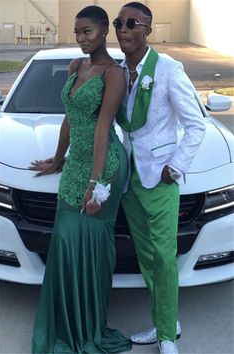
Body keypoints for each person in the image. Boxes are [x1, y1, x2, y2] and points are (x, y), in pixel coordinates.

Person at [30, 5, 132, 354]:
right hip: (75, 166)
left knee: (90, 245)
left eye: (87, 31)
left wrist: (96, 182)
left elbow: (104, 127)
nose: (81, 39)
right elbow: (70, 119)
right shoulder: (77, 66)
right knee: (64, 240)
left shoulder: (113, 74)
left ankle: (86, 328)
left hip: (104, 167)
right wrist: (58, 159)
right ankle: (64, 324)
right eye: (77, 32)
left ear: (104, 30)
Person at [113, 2, 206, 354]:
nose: (123, 29)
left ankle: (167, 336)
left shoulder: (167, 69)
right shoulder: (119, 71)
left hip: (161, 178)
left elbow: (196, 124)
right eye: (118, 22)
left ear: (147, 29)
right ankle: (166, 320)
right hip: (130, 181)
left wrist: (176, 166)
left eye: (131, 23)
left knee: (165, 258)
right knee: (147, 257)